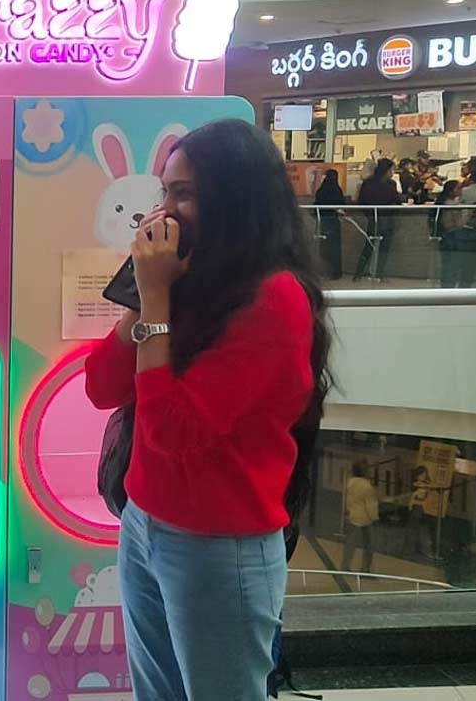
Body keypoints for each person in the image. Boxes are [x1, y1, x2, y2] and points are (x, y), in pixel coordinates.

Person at [84, 119, 330, 701]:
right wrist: (144, 295)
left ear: (236, 199)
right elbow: (101, 385)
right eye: (164, 192)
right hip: (145, 522)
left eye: (184, 193)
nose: (164, 211)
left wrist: (159, 301)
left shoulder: (274, 298)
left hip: (219, 543)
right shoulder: (186, 278)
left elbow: (173, 429)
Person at [354, 158, 403, 281]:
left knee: (369, 246)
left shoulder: (368, 183)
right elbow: (397, 201)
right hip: (386, 218)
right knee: (384, 248)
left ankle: (358, 274)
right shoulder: (391, 184)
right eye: (392, 169)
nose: (393, 172)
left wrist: (369, 214)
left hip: (373, 218)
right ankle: (379, 274)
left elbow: (361, 201)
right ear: (387, 171)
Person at [341, 461, 379, 574]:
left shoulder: (350, 483)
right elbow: (370, 505)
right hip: (365, 518)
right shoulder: (367, 486)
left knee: (350, 544)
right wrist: (374, 517)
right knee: (369, 544)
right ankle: (365, 568)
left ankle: (345, 566)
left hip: (352, 515)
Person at [314, 169, 345, 280]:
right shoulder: (337, 190)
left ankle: (324, 271)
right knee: (335, 248)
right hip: (334, 221)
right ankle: (335, 272)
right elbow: (342, 205)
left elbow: (316, 204)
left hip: (323, 221)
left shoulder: (321, 191)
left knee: (324, 247)